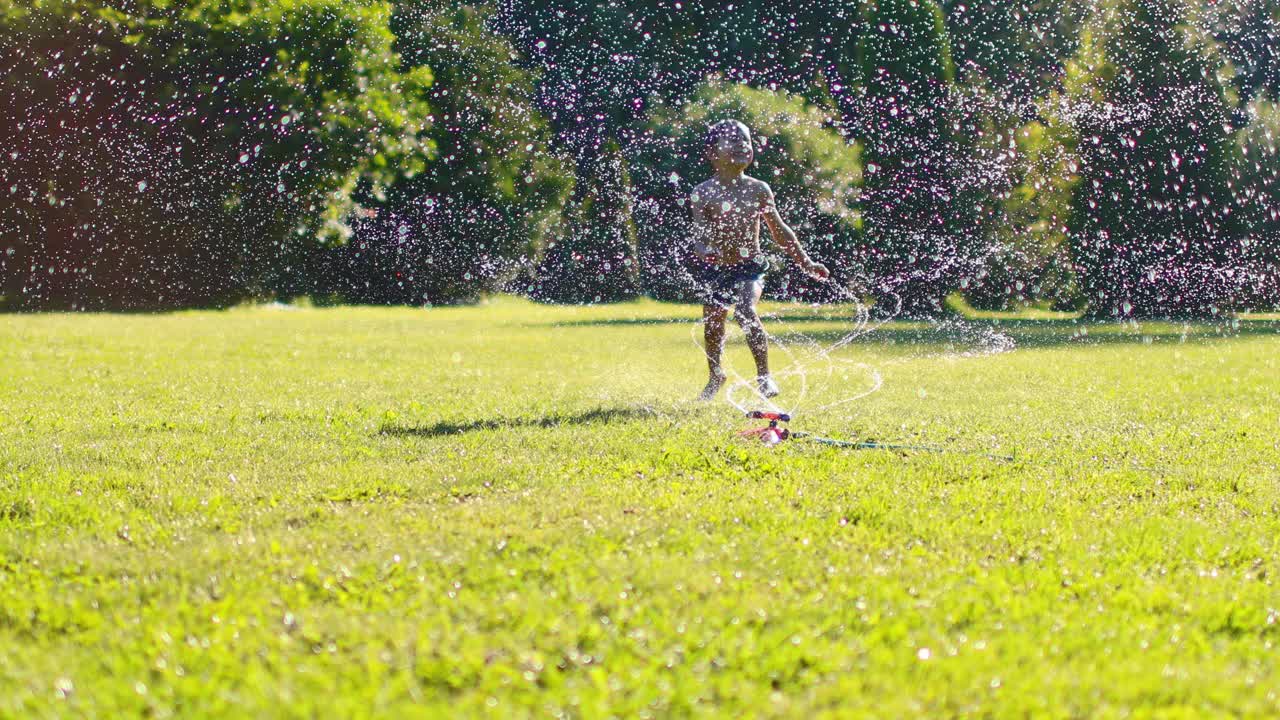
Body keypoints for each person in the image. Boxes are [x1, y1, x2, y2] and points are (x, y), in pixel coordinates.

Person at [688, 119, 830, 401]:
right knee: (713, 325)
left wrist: (806, 262)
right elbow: (700, 236)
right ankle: (716, 374)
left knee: (745, 310)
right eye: (732, 139)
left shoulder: (757, 189)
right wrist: (705, 252)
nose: (742, 144)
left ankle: (764, 375)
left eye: (746, 140)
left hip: (749, 267)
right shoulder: (703, 192)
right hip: (716, 270)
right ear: (711, 153)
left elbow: (779, 231)